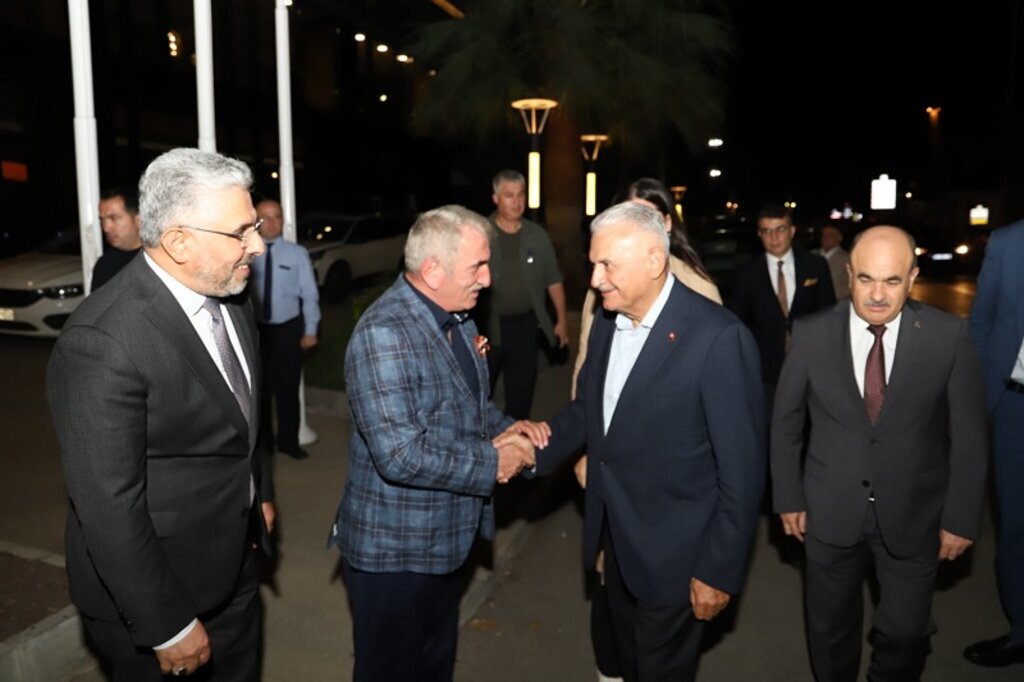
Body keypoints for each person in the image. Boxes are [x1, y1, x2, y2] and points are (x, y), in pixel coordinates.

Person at [511, 201, 766, 681]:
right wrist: (531, 450)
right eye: (593, 264)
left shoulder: (718, 338)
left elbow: (742, 473)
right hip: (616, 542)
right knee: (622, 661)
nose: (595, 280)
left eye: (608, 265)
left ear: (654, 261)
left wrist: (719, 571)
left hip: (676, 558)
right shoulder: (610, 321)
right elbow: (590, 411)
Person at [47, 148, 275, 680]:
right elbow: (107, 505)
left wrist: (259, 491)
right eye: (241, 232)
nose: (258, 246)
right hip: (160, 593)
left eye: (255, 226)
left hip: (237, 563)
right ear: (178, 241)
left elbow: (244, 416)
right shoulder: (100, 342)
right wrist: (167, 624)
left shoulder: (232, 294)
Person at [328, 205, 536, 682]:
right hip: (396, 555)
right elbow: (400, 455)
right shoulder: (385, 334)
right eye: (477, 267)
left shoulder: (457, 316)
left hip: (446, 543)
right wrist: (493, 462)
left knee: (433, 666)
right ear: (433, 271)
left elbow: (470, 406)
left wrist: (512, 430)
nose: (487, 279)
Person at [771, 225, 989, 681]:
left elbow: (969, 435)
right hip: (829, 508)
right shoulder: (811, 334)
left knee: (906, 633)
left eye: (892, 281)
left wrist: (961, 516)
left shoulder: (947, 336)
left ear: (912, 278)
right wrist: (788, 496)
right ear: (849, 275)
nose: (876, 295)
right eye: (866, 278)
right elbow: (786, 421)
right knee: (830, 630)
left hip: (916, 510)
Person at [570, 178, 721, 682]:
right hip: (612, 485)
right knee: (614, 610)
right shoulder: (609, 297)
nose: (596, 278)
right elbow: (589, 378)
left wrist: (716, 567)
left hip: (665, 510)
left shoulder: (706, 313)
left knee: (657, 641)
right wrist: (571, 444)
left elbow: (734, 460)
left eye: (643, 217)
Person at [964, 219, 1024, 668]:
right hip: (1014, 409)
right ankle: (1021, 631)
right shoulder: (1008, 243)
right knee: (1016, 528)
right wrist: (982, 402)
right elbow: (980, 326)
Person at [482, 169, 569, 419]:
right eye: (509, 195)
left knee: (521, 393)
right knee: (480, 391)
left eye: (521, 194)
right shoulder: (481, 234)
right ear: (496, 198)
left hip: (525, 327)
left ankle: (515, 438)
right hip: (488, 326)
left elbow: (553, 280)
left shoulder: (537, 236)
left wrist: (562, 321)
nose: (517, 201)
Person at [730, 204, 835, 403]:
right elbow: (739, 322)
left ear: (792, 231)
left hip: (811, 364)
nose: (774, 237)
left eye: (780, 229)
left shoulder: (815, 265)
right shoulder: (747, 273)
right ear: (759, 235)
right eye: (767, 231)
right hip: (766, 369)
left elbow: (829, 313)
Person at [248, 198, 320, 460]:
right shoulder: (245, 253)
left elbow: (309, 294)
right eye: (266, 217)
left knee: (288, 388)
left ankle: (289, 441)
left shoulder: (297, 253)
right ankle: (264, 445)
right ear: (255, 221)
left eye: (277, 216)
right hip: (256, 330)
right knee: (259, 392)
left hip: (288, 329)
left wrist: (311, 329)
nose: (272, 222)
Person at [92, 186, 143, 289]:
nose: (106, 228)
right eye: (102, 220)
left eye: (113, 218)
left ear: (139, 220)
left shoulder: (160, 260)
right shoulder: (105, 265)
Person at [814, 223, 851, 299]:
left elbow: (853, 284)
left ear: (839, 238)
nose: (825, 238)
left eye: (830, 235)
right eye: (823, 235)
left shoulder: (847, 259)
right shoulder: (812, 255)